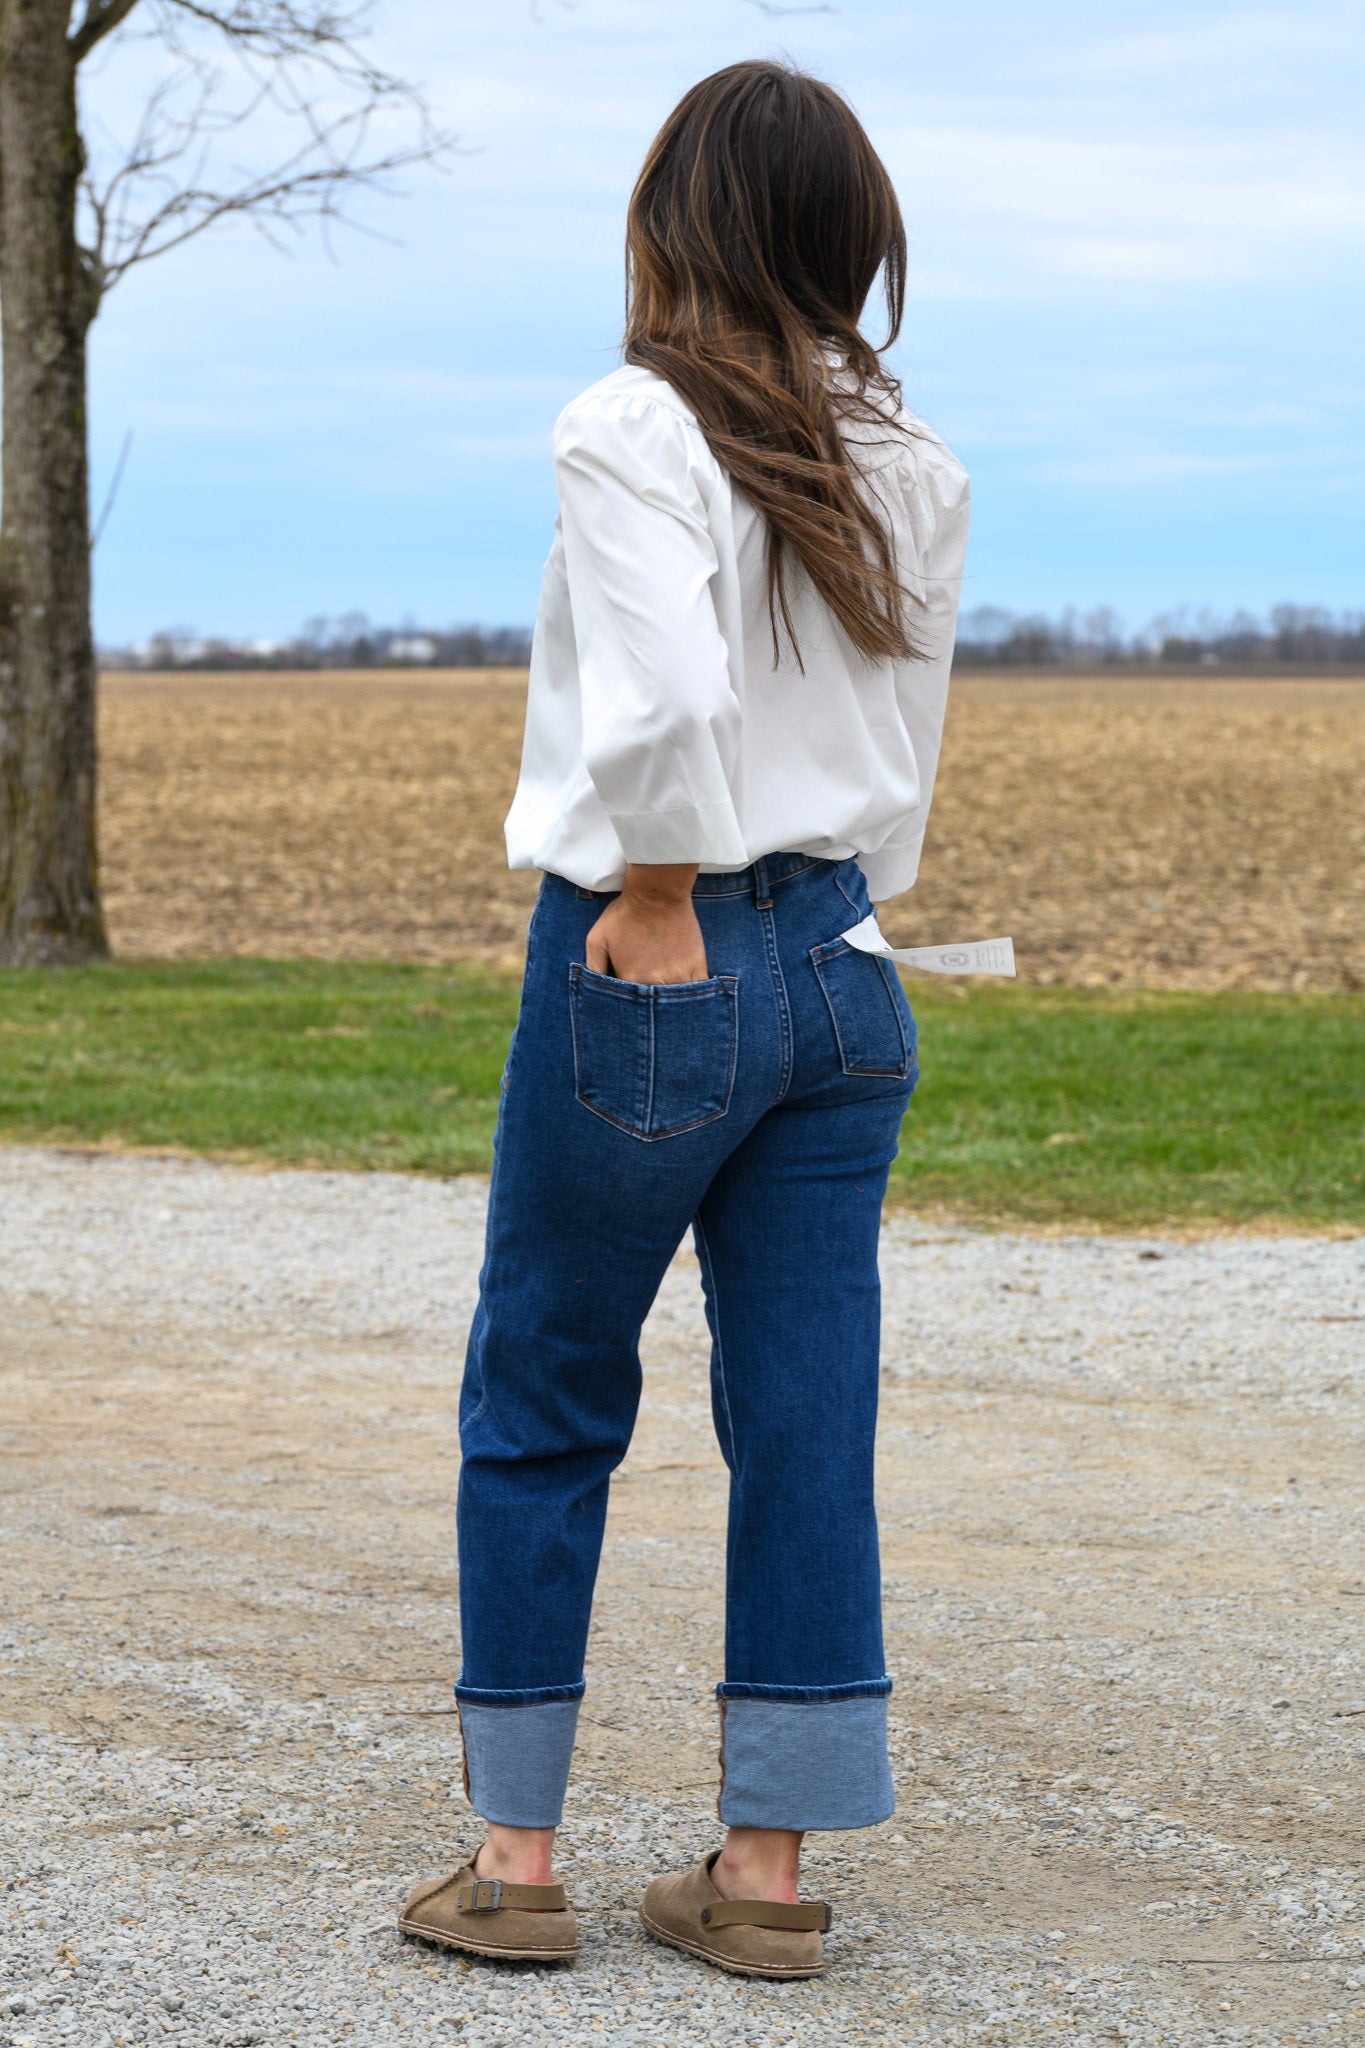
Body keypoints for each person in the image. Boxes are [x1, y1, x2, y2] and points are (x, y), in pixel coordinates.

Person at [399, 58, 968, 1980]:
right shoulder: (911, 459)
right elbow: (902, 741)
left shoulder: (630, 421)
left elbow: (658, 703)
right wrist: (832, 897)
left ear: (676, 221)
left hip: (662, 938)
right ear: (847, 237)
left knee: (546, 1391)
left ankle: (514, 1866)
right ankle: (765, 1879)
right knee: (805, 1415)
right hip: (845, 955)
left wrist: (652, 894)